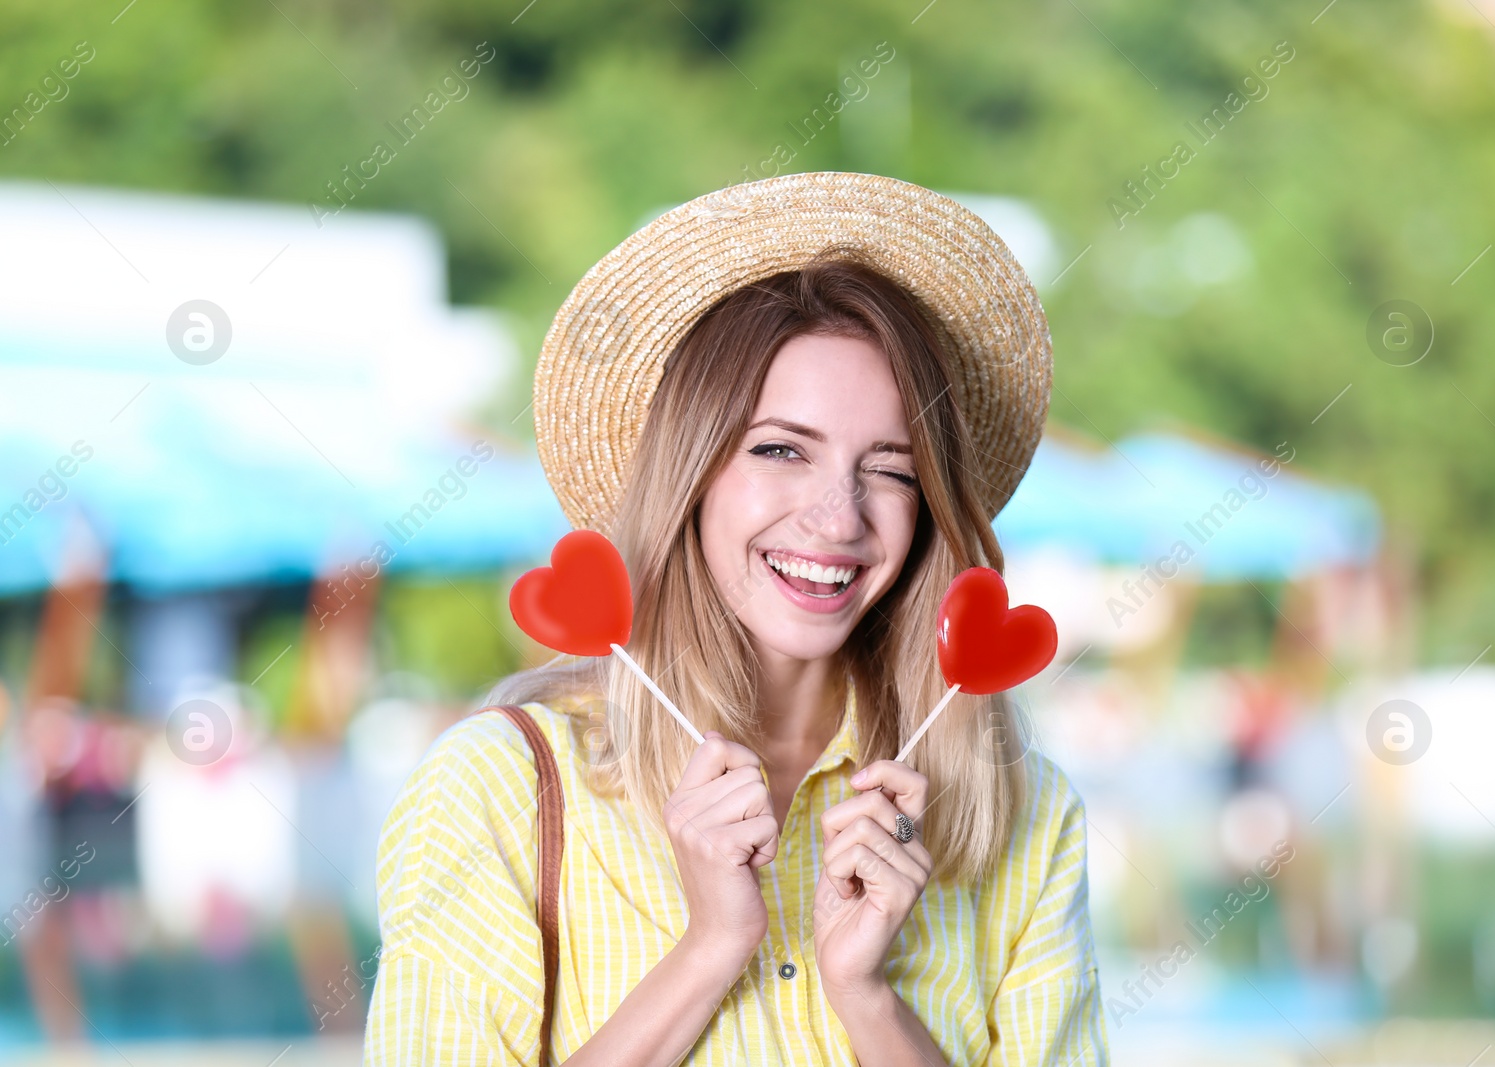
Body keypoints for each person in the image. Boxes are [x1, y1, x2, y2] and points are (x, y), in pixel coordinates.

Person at [362, 172, 1109, 1066]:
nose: (840, 517)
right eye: (781, 449)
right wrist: (710, 947)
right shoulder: (496, 788)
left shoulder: (1021, 812)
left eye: (892, 467)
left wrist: (868, 1000)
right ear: (692, 474)